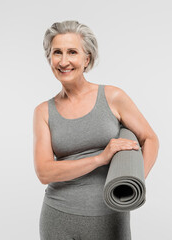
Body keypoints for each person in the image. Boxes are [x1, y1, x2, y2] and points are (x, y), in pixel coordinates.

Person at [33, 20, 159, 240]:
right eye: (57, 53)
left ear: (86, 58)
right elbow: (44, 172)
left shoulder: (112, 97)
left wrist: (131, 184)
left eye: (72, 52)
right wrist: (100, 159)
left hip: (109, 216)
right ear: (49, 59)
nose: (64, 61)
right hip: (57, 217)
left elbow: (149, 139)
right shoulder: (43, 112)